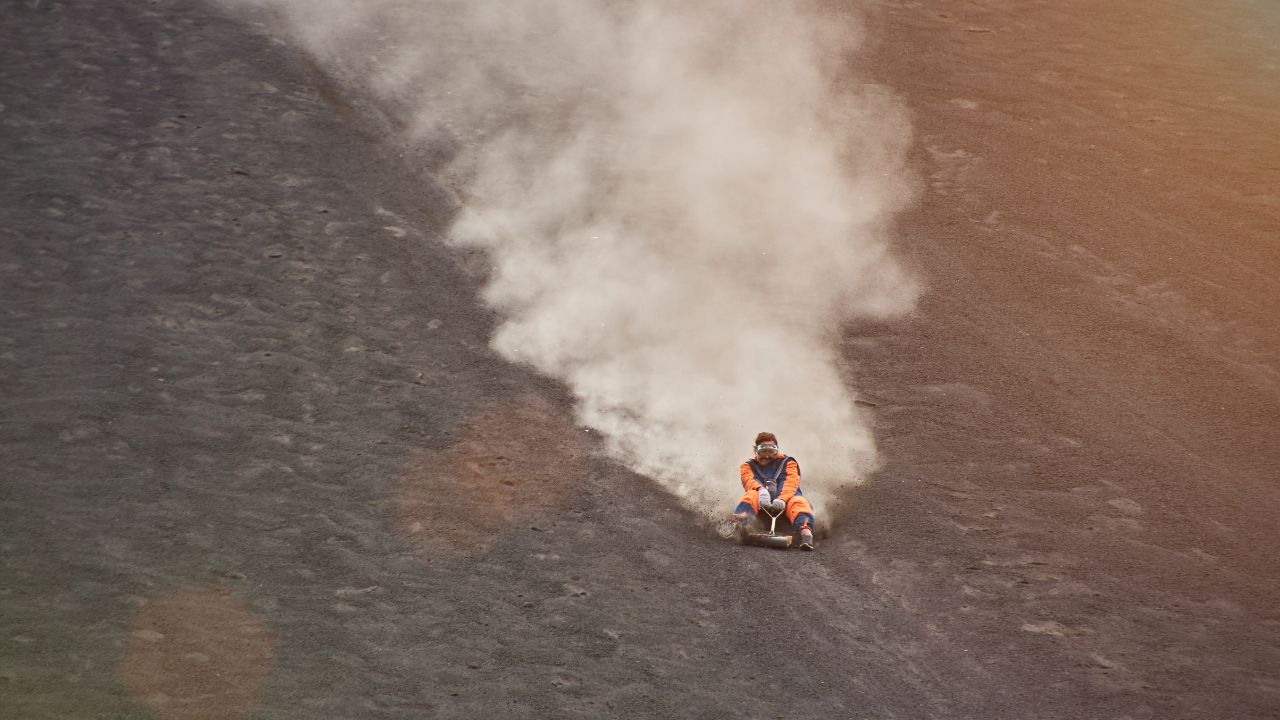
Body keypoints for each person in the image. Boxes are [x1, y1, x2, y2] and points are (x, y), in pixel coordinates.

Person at [732, 431, 815, 550]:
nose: (767, 455)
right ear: (756, 451)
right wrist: (761, 490)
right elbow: (748, 480)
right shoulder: (747, 466)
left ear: (776, 451)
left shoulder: (788, 463)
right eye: (763, 451)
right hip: (761, 509)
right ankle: (742, 526)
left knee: (798, 501)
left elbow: (790, 483)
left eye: (771, 451)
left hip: (784, 507)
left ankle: (806, 534)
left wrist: (781, 499)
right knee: (751, 494)